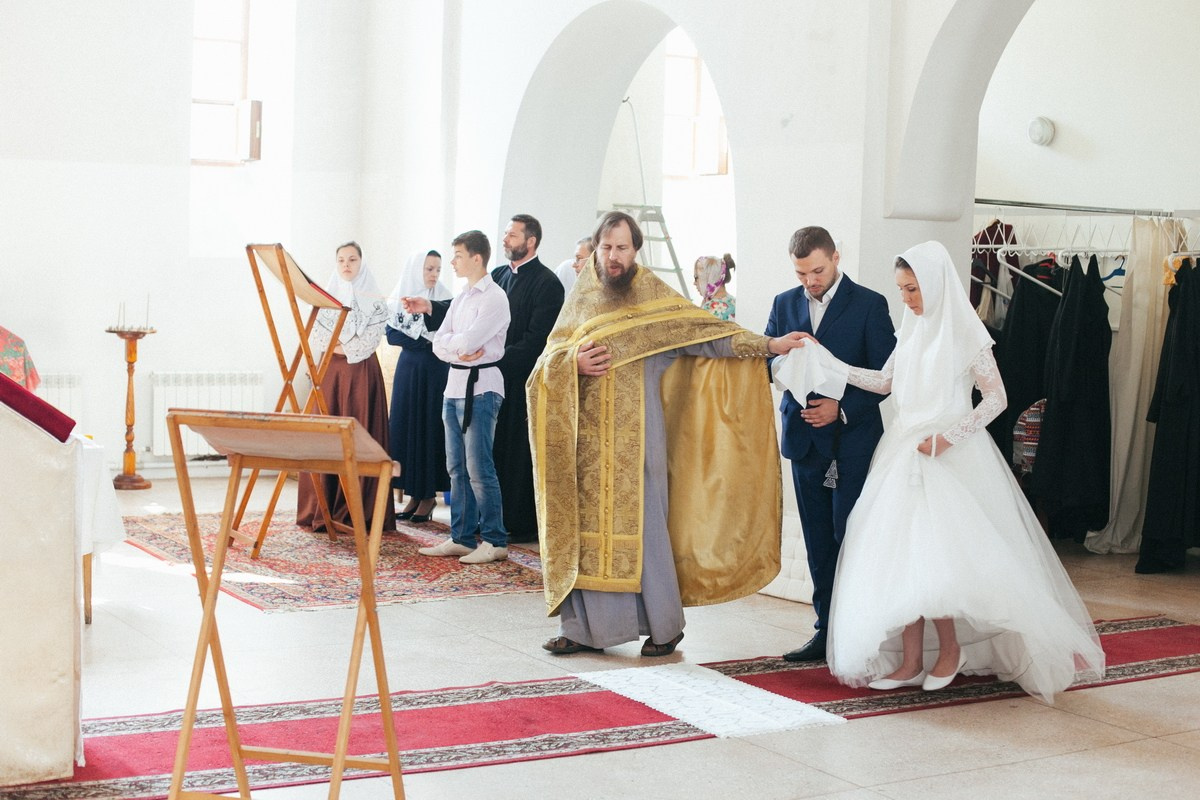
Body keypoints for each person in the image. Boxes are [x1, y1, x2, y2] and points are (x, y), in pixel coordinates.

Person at [782, 240, 1105, 702]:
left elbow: (997, 398)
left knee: (939, 560)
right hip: (903, 450)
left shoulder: (965, 333)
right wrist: (827, 360)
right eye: (901, 290)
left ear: (934, 284)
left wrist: (951, 437)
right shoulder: (912, 327)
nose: (907, 300)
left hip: (946, 453)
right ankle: (911, 661)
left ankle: (950, 650)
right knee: (901, 559)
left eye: (913, 289)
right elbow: (884, 382)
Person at [529, 211, 806, 657]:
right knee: (584, 537)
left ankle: (664, 626)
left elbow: (709, 336)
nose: (613, 256)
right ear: (596, 249)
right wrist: (571, 365)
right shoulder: (580, 299)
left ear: (636, 250)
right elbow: (545, 363)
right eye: (606, 247)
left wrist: (769, 345)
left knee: (647, 534)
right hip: (585, 448)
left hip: (640, 443)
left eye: (621, 247)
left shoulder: (654, 298)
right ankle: (582, 629)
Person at [766, 226, 895, 663]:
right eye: (802, 274)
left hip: (853, 442)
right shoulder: (784, 303)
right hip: (803, 440)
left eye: (817, 271)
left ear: (836, 257)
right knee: (818, 541)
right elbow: (766, 361)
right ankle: (824, 632)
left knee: (851, 538)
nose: (810, 282)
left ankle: (858, 630)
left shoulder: (870, 304)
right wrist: (781, 358)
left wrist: (840, 408)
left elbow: (886, 378)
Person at [402, 214, 564, 545]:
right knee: (466, 464)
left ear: (530, 241)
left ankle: (509, 527)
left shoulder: (548, 284)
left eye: (512, 235)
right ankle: (468, 530)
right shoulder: (499, 276)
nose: (505, 239)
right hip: (477, 379)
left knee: (499, 460)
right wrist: (431, 309)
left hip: (518, 383)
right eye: (505, 234)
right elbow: (456, 320)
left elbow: (537, 340)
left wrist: (491, 358)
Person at [417, 230, 512, 564]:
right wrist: (454, 346)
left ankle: (495, 539)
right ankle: (461, 536)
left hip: (482, 387)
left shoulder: (495, 298)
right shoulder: (461, 298)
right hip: (454, 386)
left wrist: (454, 345)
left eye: (457, 255)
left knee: (479, 466)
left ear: (476, 258)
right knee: (455, 466)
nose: (452, 261)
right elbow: (438, 342)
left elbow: (469, 342)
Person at [297, 241, 396, 533]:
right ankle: (323, 505)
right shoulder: (325, 298)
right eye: (341, 260)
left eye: (352, 259)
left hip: (362, 373)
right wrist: (338, 349)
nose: (346, 265)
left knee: (359, 432)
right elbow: (316, 335)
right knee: (326, 434)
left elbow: (371, 339)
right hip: (331, 373)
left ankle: (358, 510)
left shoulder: (376, 302)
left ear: (361, 262)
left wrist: (344, 349)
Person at [385, 248, 454, 523]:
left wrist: (423, 341)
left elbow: (446, 333)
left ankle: (428, 497)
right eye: (428, 269)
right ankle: (413, 494)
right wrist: (422, 340)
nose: (434, 275)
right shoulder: (401, 296)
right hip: (408, 370)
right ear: (416, 270)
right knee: (407, 428)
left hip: (434, 370)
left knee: (428, 428)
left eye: (437, 269)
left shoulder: (446, 299)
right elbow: (391, 334)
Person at [693, 253, 736, 320]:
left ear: (709, 277)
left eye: (696, 277)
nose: (694, 283)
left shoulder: (709, 308)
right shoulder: (735, 302)